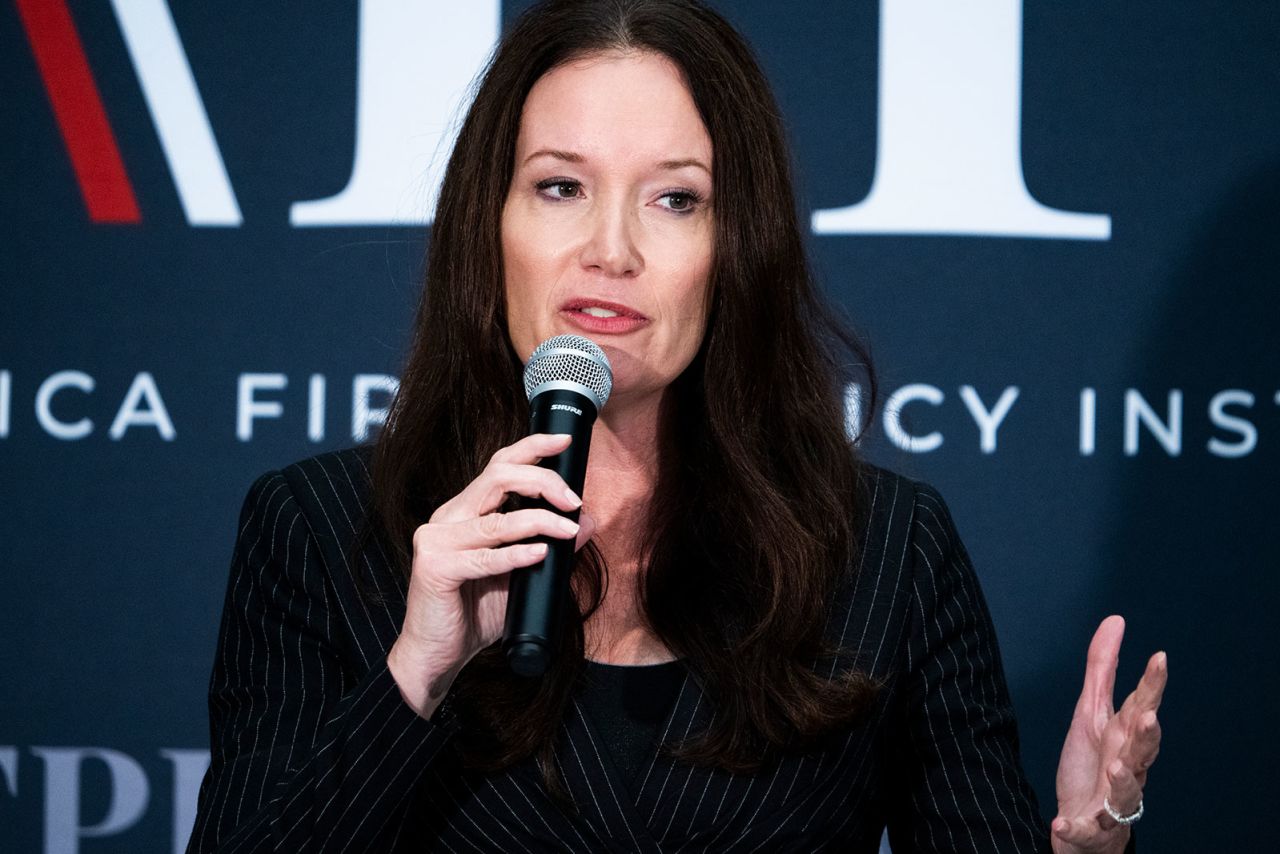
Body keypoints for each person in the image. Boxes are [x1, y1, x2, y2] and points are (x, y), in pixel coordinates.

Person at [187, 1, 1165, 851]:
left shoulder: (886, 550)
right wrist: (413, 675)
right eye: (560, 186)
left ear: (737, 243)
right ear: (490, 223)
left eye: (673, 198)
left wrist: (1085, 847)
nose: (608, 249)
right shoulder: (319, 530)